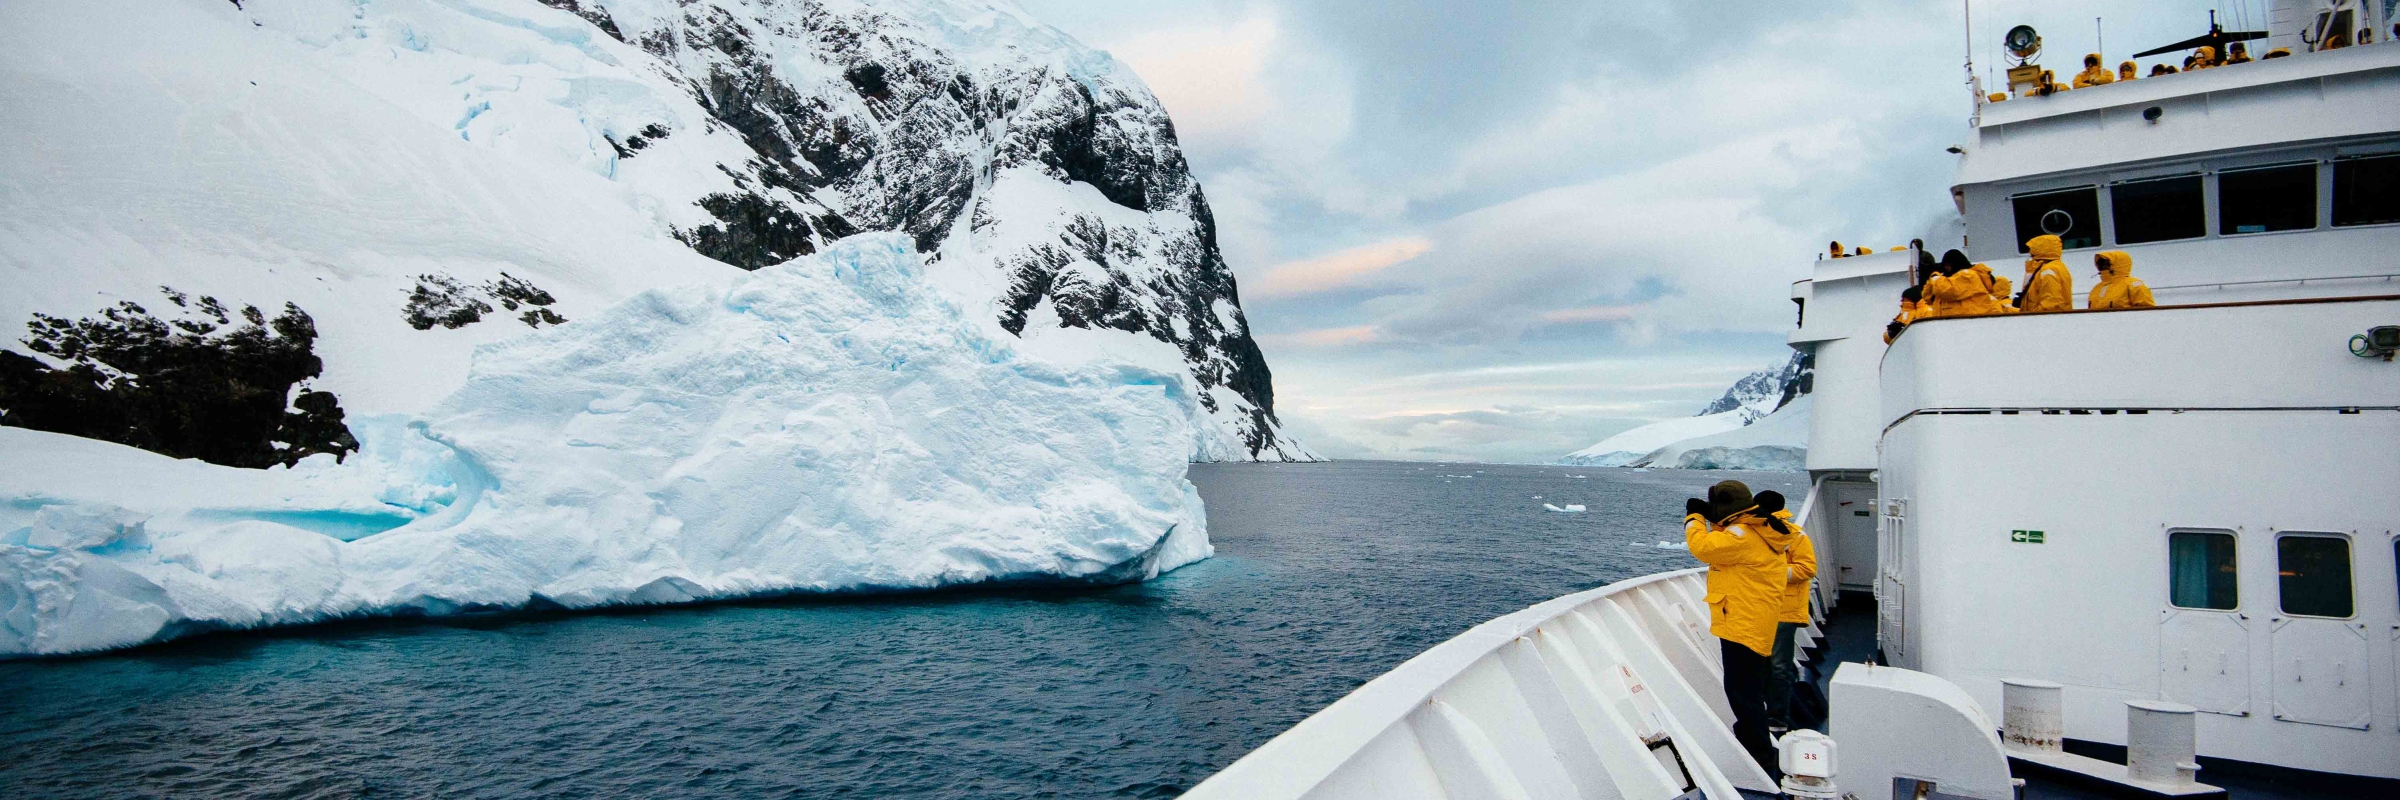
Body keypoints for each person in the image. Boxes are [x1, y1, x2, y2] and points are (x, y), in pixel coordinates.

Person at [1684, 480, 1797, 777]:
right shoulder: (1760, 528)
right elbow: (1730, 539)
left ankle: (1760, 758)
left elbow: (1704, 547)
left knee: (1741, 691)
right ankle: (1754, 741)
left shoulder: (1742, 535)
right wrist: (1718, 519)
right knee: (1750, 687)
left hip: (1741, 623)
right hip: (1755, 620)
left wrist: (1694, 517)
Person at [1756, 490, 1814, 736]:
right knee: (1764, 664)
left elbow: (1807, 568)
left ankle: (1778, 719)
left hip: (1783, 610)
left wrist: (1773, 572)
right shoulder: (1757, 532)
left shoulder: (1794, 535)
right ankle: (1768, 711)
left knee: (1779, 665)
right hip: (1760, 608)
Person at [2018, 234, 2075, 312]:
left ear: (2041, 249)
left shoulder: (2048, 271)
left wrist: (2032, 316)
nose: (2030, 251)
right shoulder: (2056, 266)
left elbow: (2051, 303)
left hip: (2044, 321)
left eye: (2033, 248)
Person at [2087, 251, 2156, 309]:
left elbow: (2147, 312)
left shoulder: (2134, 285)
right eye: (2101, 264)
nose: (2104, 267)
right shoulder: (2097, 288)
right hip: (2099, 324)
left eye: (2107, 264)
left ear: (2118, 265)